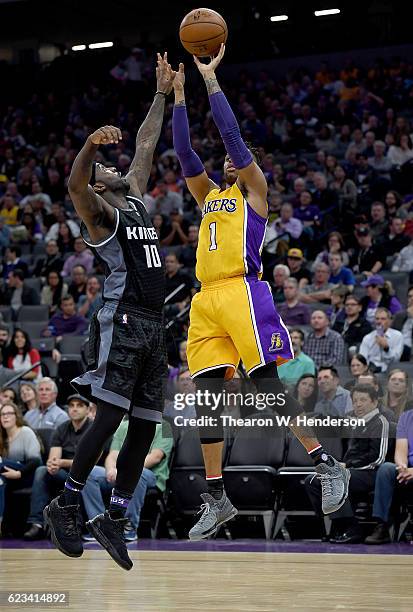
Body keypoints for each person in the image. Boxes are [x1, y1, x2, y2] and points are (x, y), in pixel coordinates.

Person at [172, 48, 349, 542]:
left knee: (266, 388)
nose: (229, 156)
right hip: (205, 300)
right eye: (229, 157)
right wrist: (179, 96)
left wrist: (209, 80)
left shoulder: (254, 190)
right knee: (205, 400)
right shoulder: (209, 196)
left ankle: (326, 463)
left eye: (238, 154)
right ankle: (217, 496)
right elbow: (185, 155)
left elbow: (230, 135)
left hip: (242, 290)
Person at [41, 54, 174, 571]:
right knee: (113, 414)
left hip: (153, 323)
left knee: (143, 425)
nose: (114, 168)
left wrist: (161, 94)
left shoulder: (134, 197)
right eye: (104, 169)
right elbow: (74, 185)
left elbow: (145, 143)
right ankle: (68, 501)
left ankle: (115, 517)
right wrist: (89, 146)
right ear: (98, 180)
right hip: (120, 321)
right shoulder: (99, 213)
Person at [306, 384, 389, 543]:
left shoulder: (381, 422)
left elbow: (378, 458)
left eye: (363, 400)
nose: (358, 404)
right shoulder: (356, 423)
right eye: (355, 400)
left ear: (374, 402)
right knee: (313, 480)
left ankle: (353, 529)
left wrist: (347, 466)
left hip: (372, 473)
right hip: (353, 471)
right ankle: (337, 526)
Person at [81, 418, 173, 541]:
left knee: (138, 474)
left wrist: (126, 471)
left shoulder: (166, 426)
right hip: (120, 474)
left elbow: (155, 457)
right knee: (90, 473)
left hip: (151, 475)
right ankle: (100, 527)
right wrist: (110, 470)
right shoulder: (123, 425)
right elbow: (112, 455)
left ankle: (128, 527)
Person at [23, 394, 93, 541]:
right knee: (42, 470)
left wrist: (61, 463)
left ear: (88, 410)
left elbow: (89, 461)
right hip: (65, 472)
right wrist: (53, 464)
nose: (74, 409)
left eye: (79, 406)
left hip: (89, 473)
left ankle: (74, 525)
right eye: (72, 406)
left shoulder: (94, 429)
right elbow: (54, 458)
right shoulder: (62, 428)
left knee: (77, 477)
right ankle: (37, 523)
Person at [365, 407, 413, 545]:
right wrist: (402, 467)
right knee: (386, 468)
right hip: (406, 471)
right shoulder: (406, 417)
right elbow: (400, 451)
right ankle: (382, 526)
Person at [0, 402, 42, 535]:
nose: (5, 417)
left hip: (28, 475)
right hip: (7, 476)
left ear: (16, 416)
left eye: (9, 414)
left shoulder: (25, 432)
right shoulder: (2, 437)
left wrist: (19, 472)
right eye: (2, 414)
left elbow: (35, 460)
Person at [359, 308, 404, 373]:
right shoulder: (368, 338)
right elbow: (362, 359)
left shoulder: (397, 336)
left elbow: (396, 360)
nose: (379, 321)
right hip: (370, 371)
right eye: (377, 319)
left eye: (383, 319)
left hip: (390, 371)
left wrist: (386, 348)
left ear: (389, 321)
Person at [392, 286, 413, 361]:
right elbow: (391, 335)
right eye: (410, 296)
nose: (412, 299)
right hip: (397, 351)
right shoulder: (399, 316)